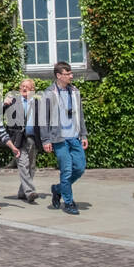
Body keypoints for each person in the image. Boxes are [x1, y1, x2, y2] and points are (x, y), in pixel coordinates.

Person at [41, 61, 88, 216]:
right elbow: (43, 119)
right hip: (59, 138)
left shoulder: (74, 91)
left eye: (71, 73)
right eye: (68, 74)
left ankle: (58, 189)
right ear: (59, 76)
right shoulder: (49, 93)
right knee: (66, 171)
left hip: (74, 136)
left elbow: (79, 114)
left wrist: (83, 134)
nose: (71, 76)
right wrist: (46, 140)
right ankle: (68, 202)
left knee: (80, 167)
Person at [2, 79, 41, 202]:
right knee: (23, 164)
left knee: (31, 167)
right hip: (17, 139)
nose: (24, 89)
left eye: (27, 87)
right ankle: (30, 192)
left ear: (32, 90)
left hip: (32, 139)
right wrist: (3, 104)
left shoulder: (37, 104)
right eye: (22, 86)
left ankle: (22, 192)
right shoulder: (13, 101)